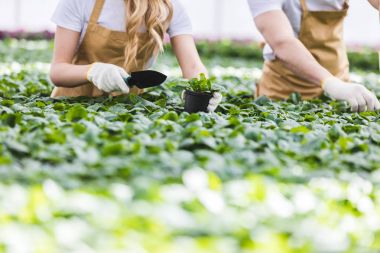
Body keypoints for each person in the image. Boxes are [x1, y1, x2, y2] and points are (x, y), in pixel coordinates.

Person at [49, 0, 221, 111]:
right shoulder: (80, 2)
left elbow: (192, 66)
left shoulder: (170, 6)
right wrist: (93, 71)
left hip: (128, 108)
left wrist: (203, 91)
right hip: (72, 107)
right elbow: (58, 71)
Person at [247, 0, 380, 112]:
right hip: (285, 98)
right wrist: (333, 84)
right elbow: (282, 42)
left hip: (342, 94)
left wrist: (340, 86)